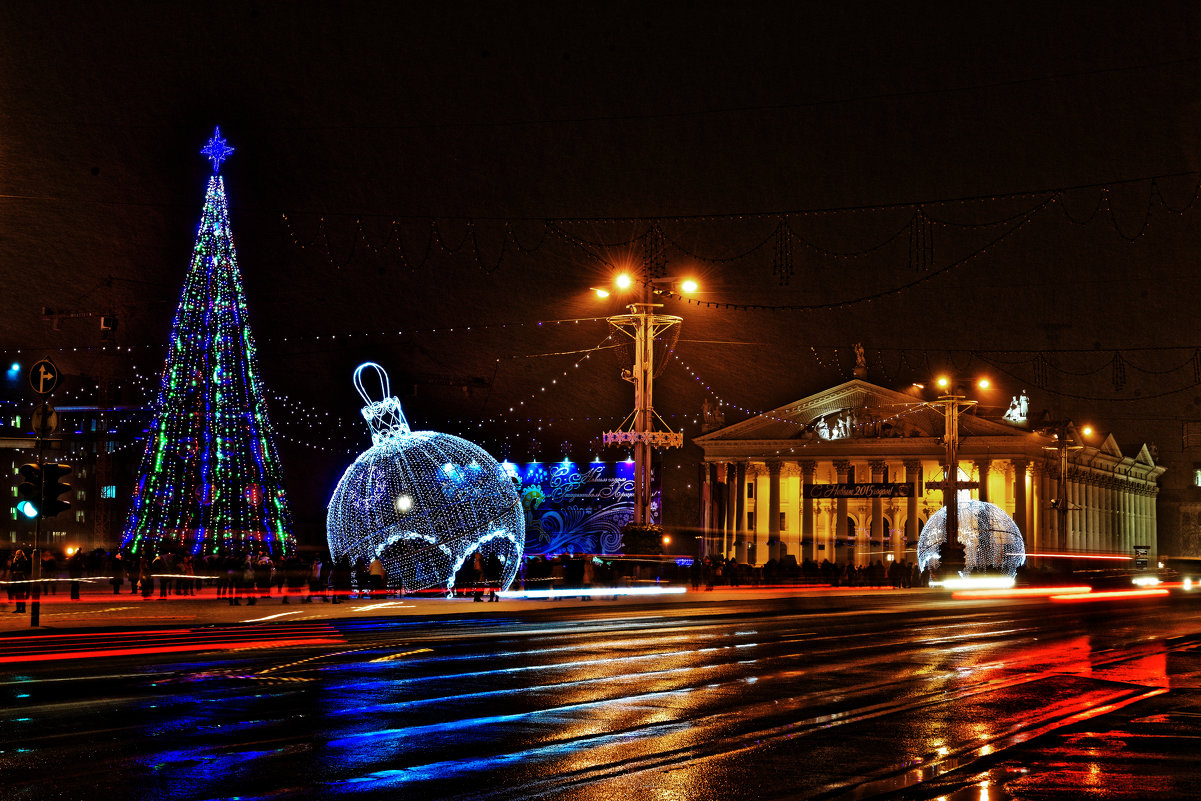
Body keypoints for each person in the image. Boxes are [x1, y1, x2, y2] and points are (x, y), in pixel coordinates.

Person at [10, 548, 30, 613]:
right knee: (17, 595)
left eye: (18, 554)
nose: (17, 555)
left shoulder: (24, 561)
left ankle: (23, 609)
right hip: (16, 579)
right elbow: (11, 569)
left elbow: (26, 570)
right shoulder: (14, 561)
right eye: (16, 554)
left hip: (22, 579)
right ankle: (18, 608)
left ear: (21, 555)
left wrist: (18, 572)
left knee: (21, 595)